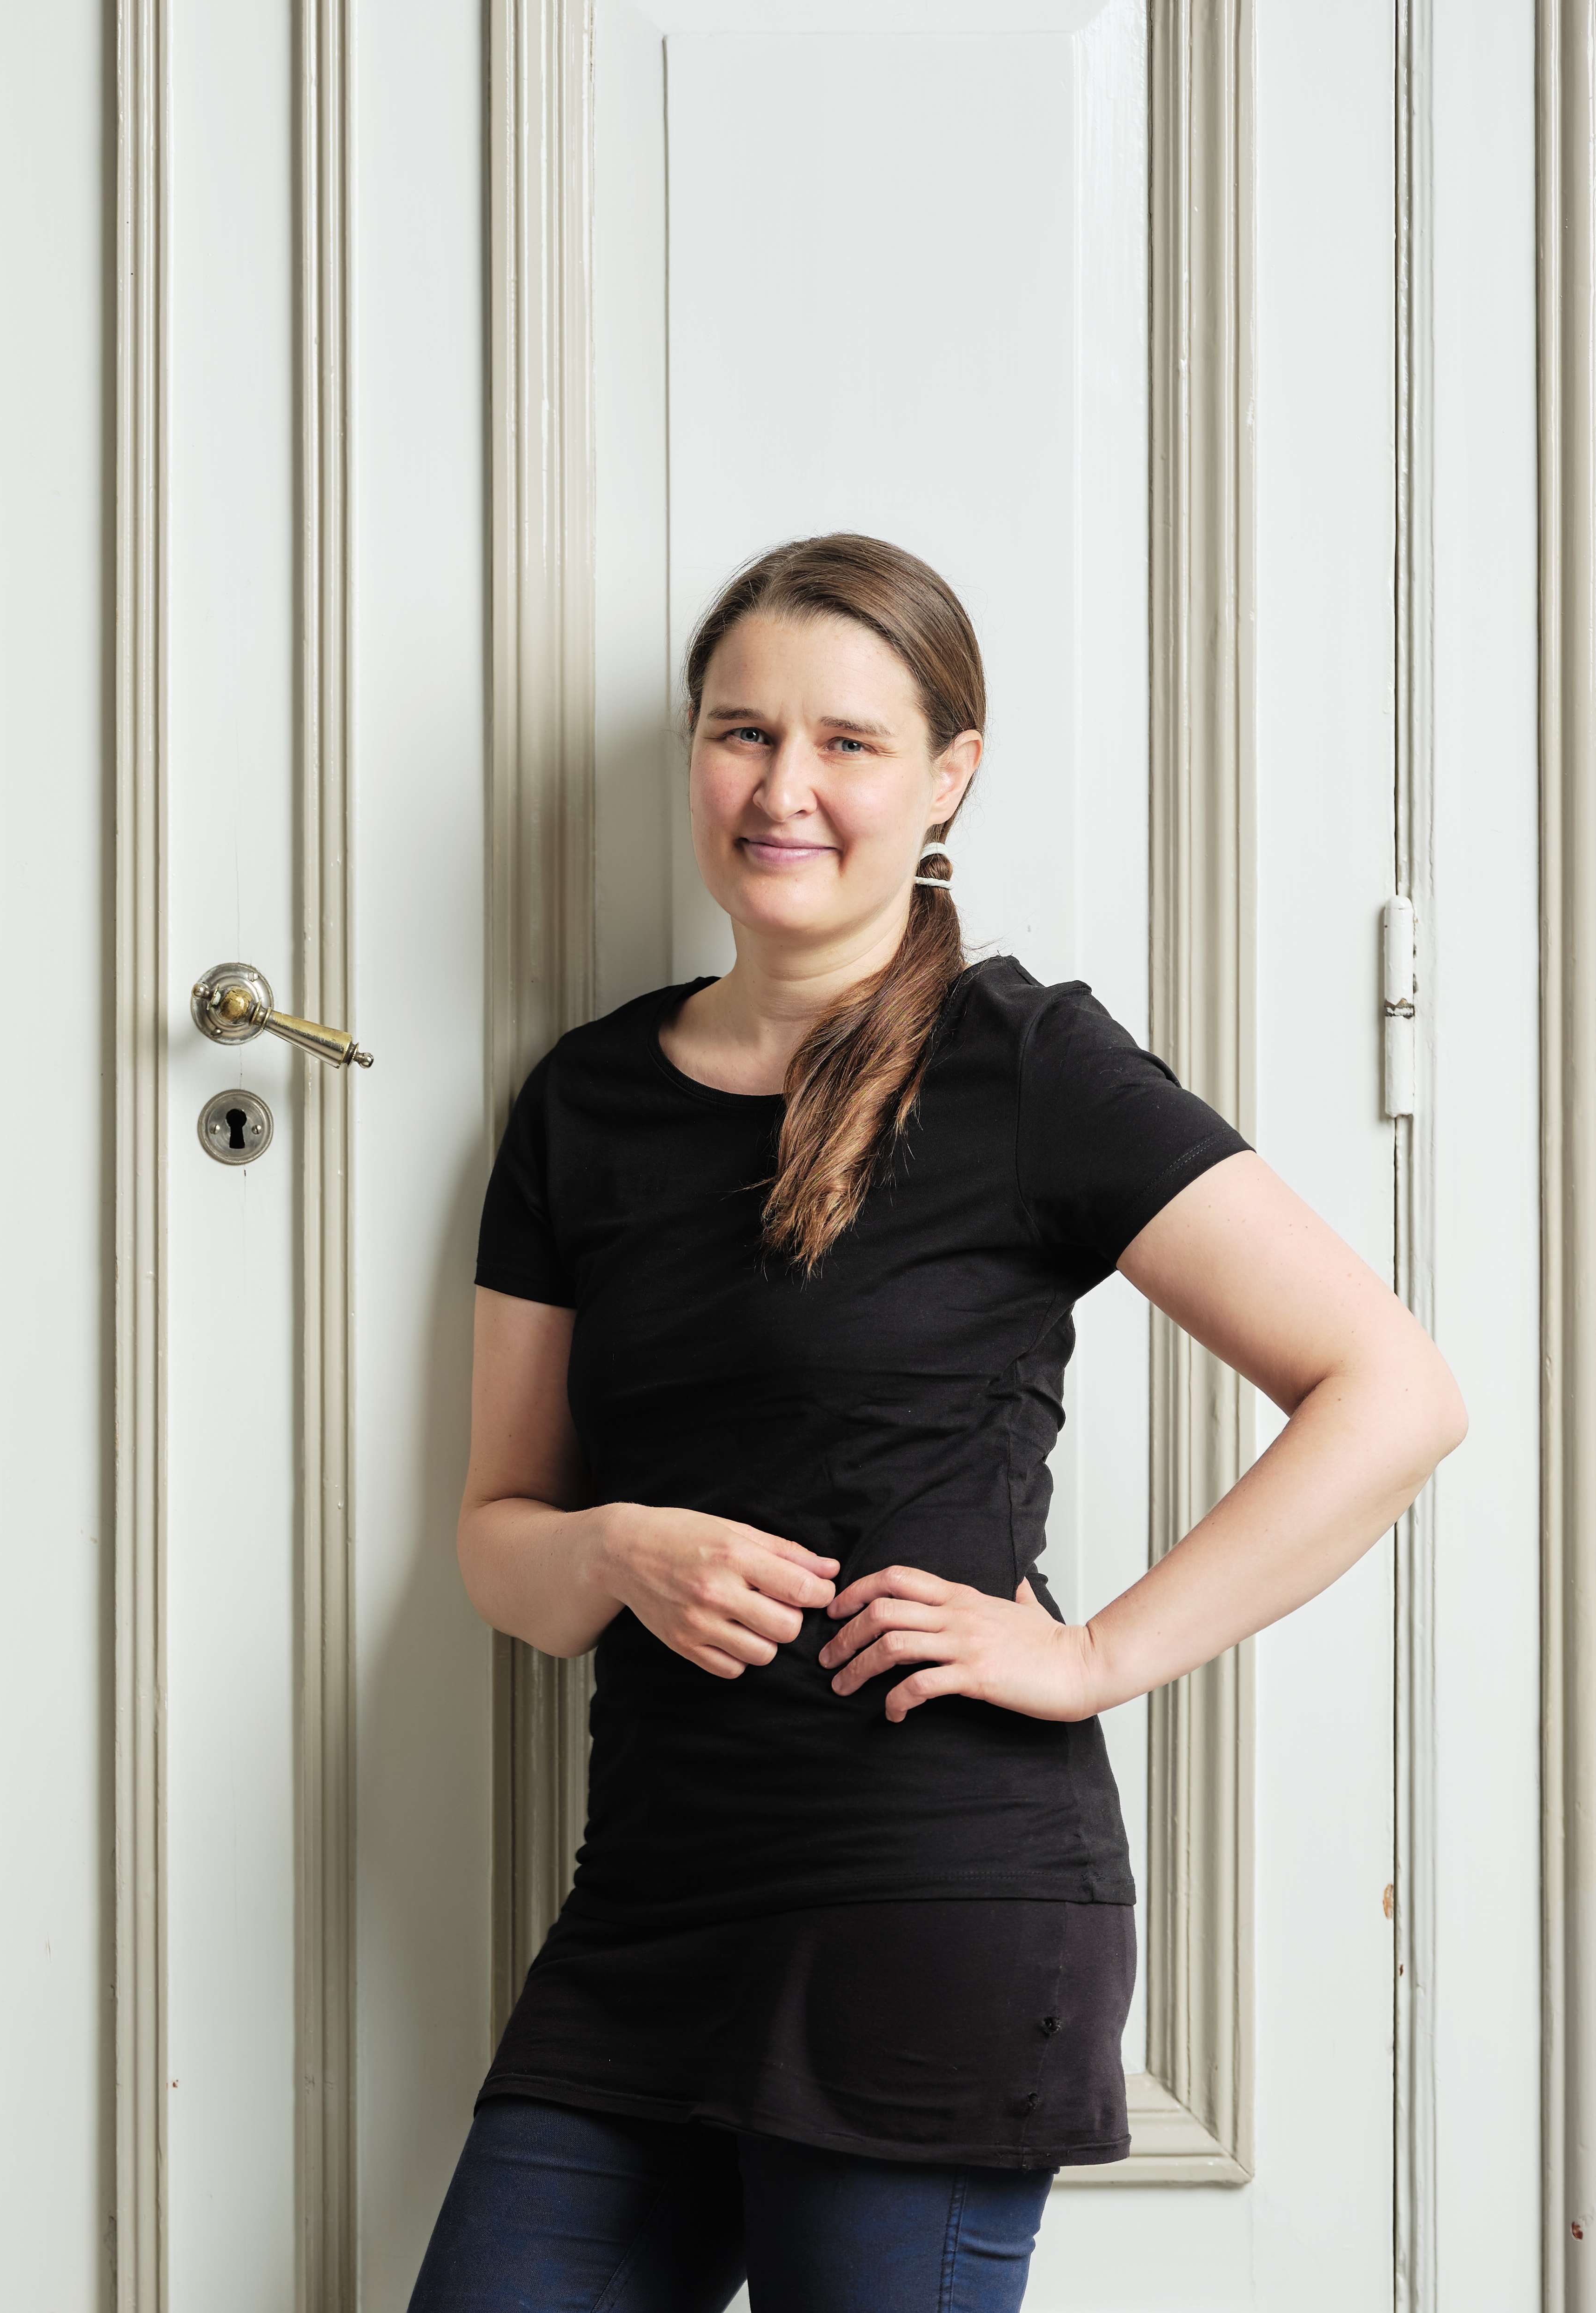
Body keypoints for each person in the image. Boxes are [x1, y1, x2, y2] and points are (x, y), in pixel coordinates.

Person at [409, 534, 1468, 2313]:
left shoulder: (1022, 1064)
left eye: (847, 742)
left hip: (936, 1901)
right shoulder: (581, 1100)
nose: (784, 789)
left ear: (946, 776)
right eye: (742, 733)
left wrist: (1095, 1654)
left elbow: (1393, 1393)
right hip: (650, 1903)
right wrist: (612, 1546)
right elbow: (499, 1536)